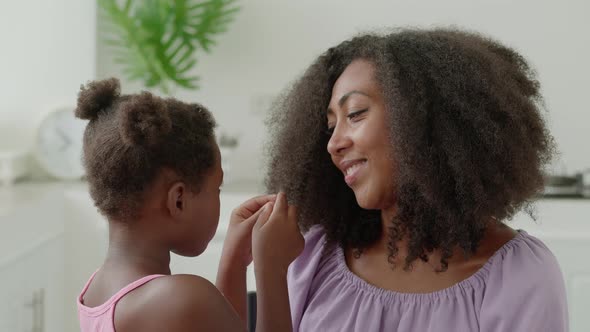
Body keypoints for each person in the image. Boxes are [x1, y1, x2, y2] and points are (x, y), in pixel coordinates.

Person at [264, 28, 568, 331]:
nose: (334, 143)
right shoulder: (314, 256)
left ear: (424, 121)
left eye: (355, 114)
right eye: (331, 127)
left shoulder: (520, 276)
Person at [74, 78, 303, 332]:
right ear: (178, 200)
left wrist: (234, 261)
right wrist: (272, 266)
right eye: (216, 188)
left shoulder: (98, 289)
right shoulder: (180, 299)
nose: (217, 196)